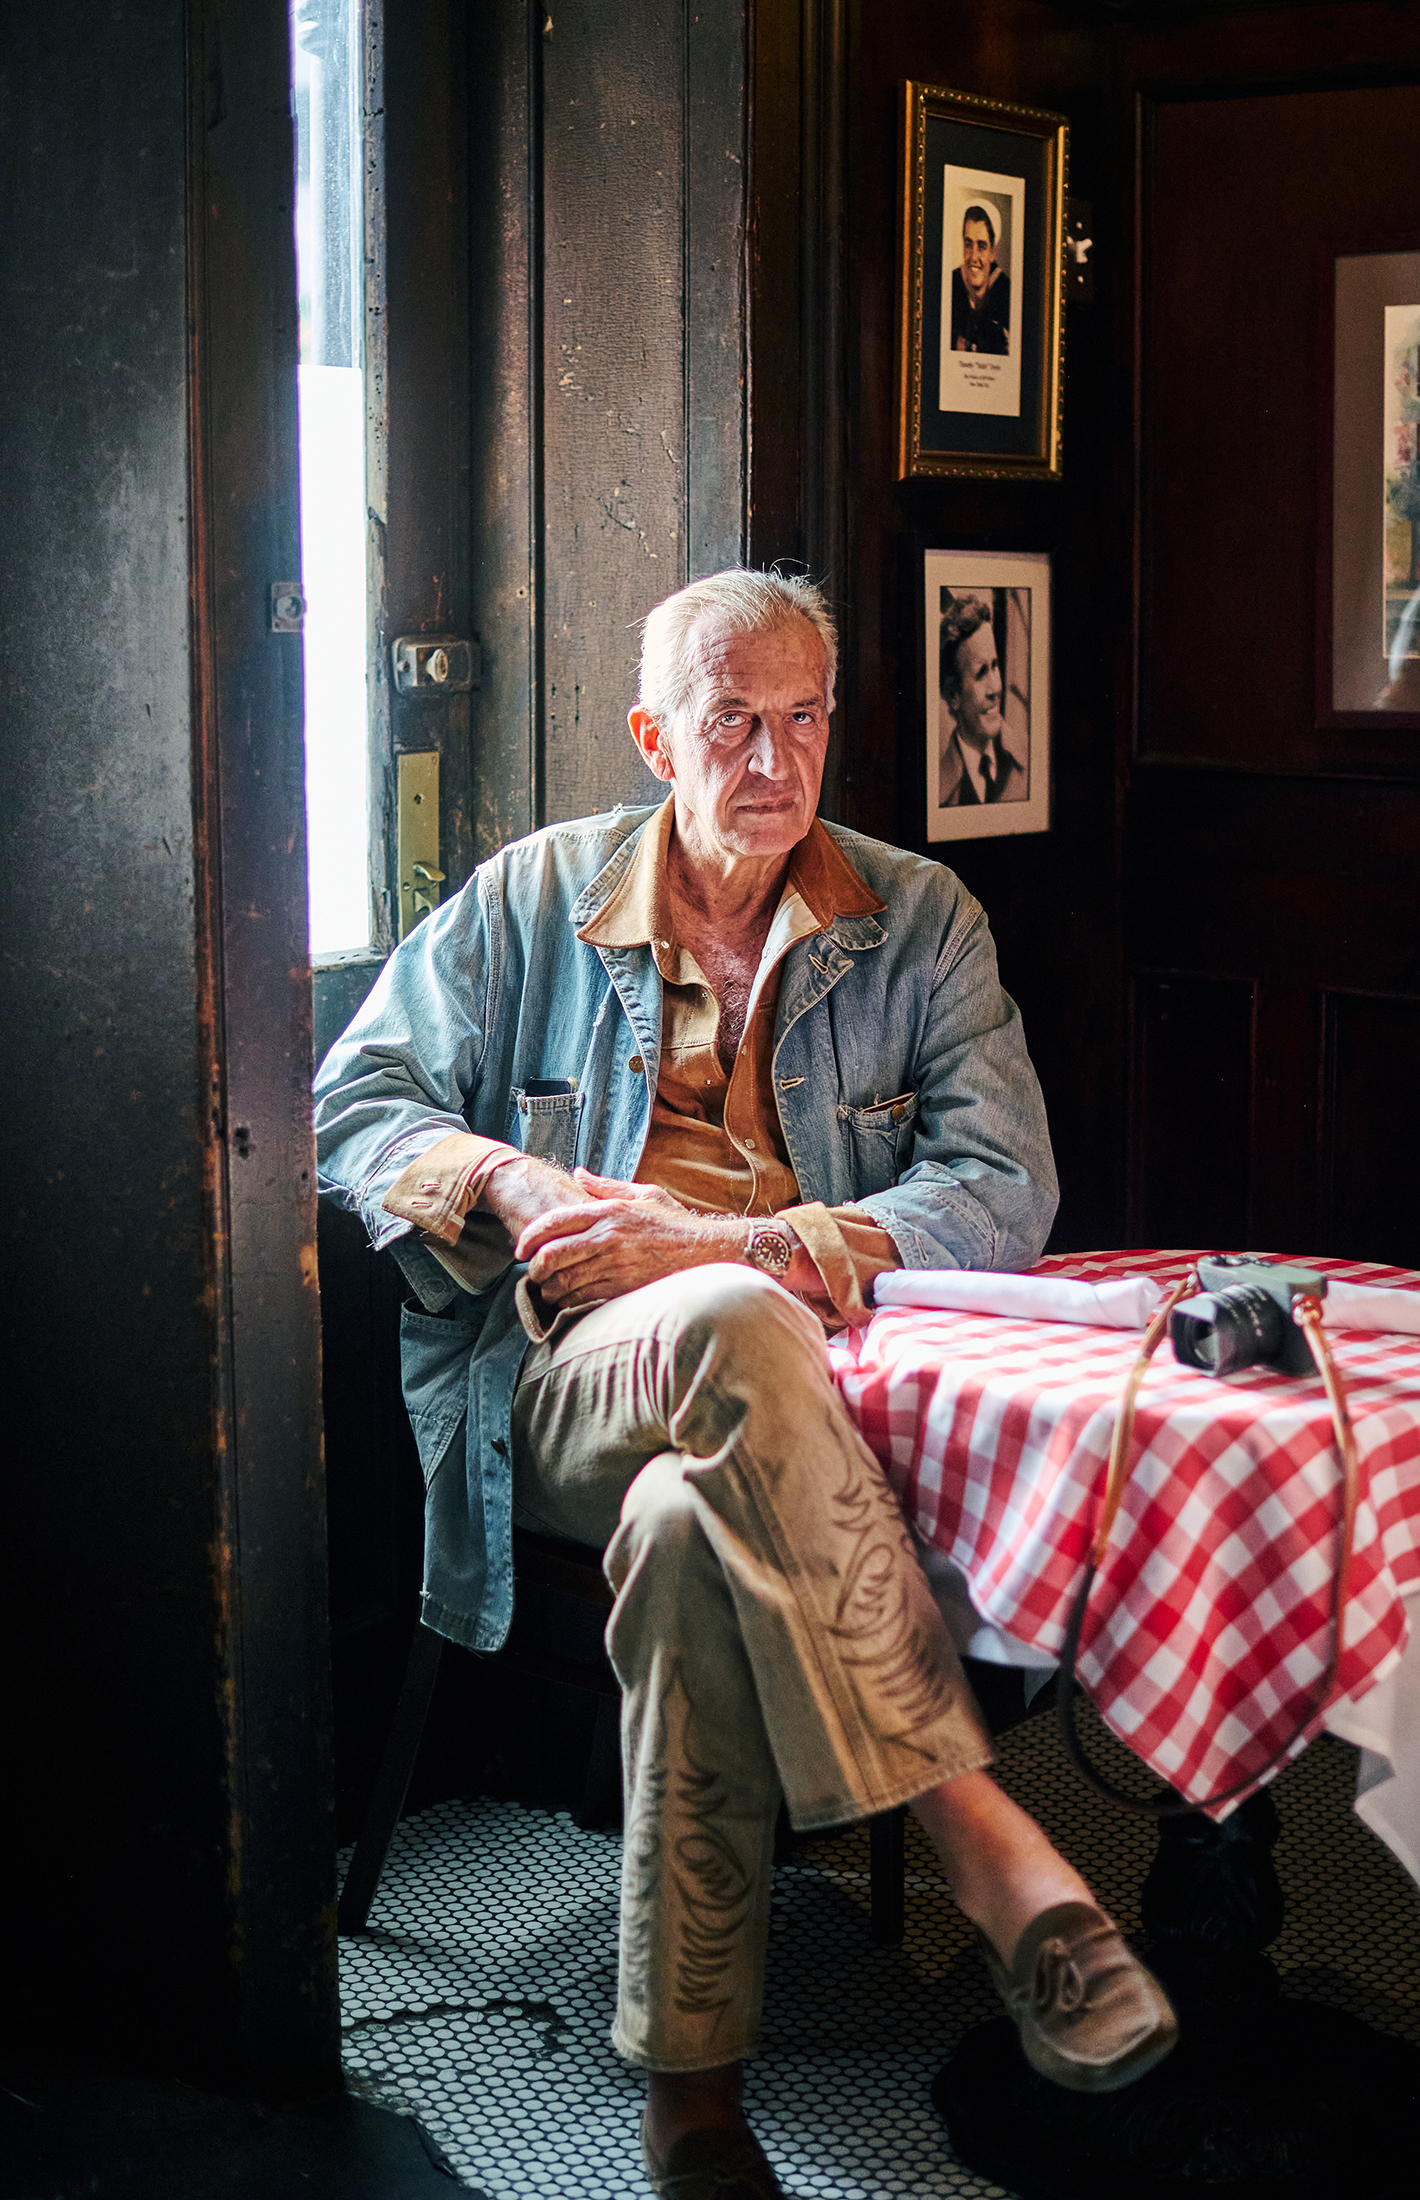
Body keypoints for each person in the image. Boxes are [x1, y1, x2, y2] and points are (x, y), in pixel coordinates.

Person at [314, 570, 1176, 2200]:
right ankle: (983, 1837)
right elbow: (350, 1106)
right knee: (718, 1323)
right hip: (557, 1380)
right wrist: (509, 1183)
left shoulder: (918, 917)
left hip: (816, 1404)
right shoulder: (529, 896)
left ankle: (691, 2107)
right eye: (731, 723)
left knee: (686, 1528)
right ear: (656, 739)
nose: (774, 761)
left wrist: (736, 1245)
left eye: (803, 718)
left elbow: (1003, 1191)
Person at [937, 598, 1027, 807]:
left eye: (995, 666)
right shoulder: (938, 793)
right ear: (953, 695)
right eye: (981, 673)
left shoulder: (1026, 763)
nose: (996, 688)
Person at [950, 204, 1010, 355]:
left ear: (992, 252)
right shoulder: (950, 285)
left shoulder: (1007, 293)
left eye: (981, 246)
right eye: (968, 244)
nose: (973, 257)